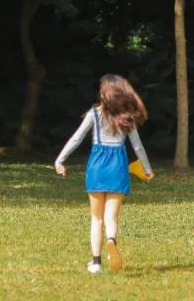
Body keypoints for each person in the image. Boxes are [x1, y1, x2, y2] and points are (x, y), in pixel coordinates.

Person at [55, 74, 154, 274]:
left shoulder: (94, 114)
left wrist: (60, 159)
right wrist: (147, 169)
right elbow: (138, 147)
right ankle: (111, 240)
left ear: (104, 94)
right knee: (111, 217)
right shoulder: (127, 118)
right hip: (118, 166)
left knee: (96, 218)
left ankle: (96, 263)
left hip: (97, 167)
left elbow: (76, 138)